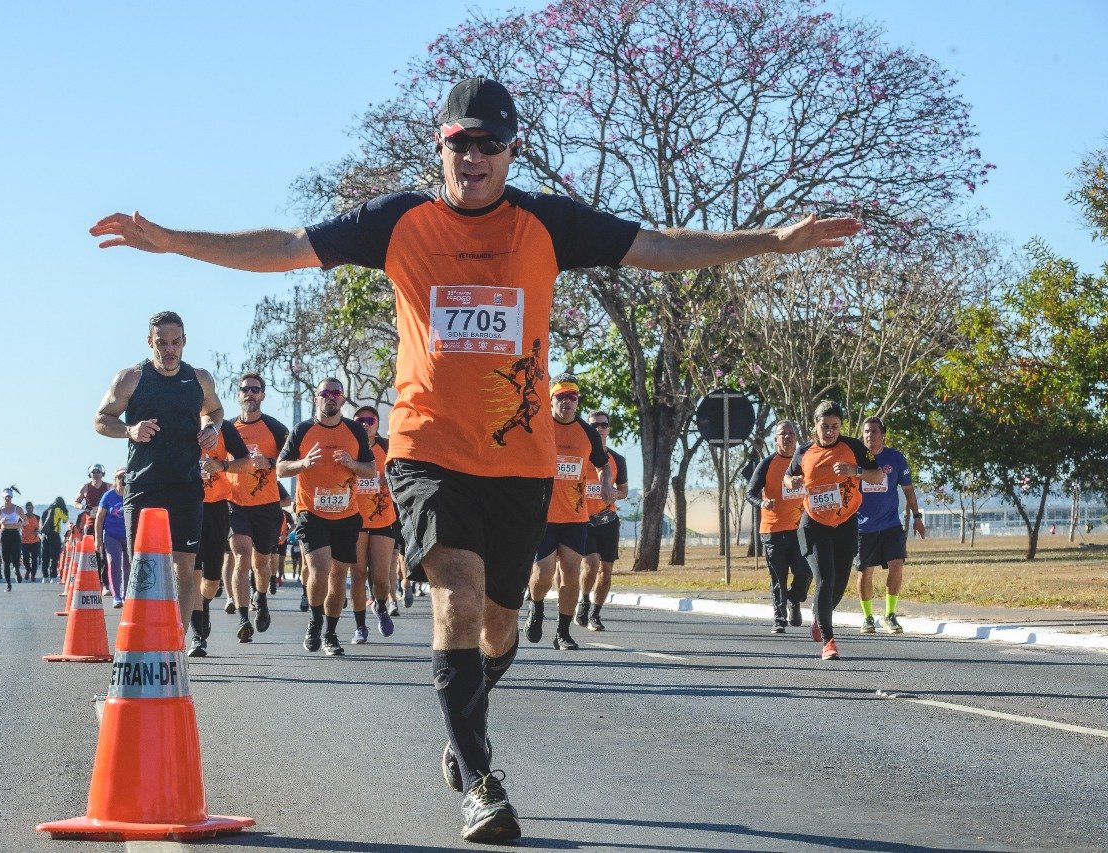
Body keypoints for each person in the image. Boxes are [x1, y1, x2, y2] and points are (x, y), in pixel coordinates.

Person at [91, 75, 860, 843]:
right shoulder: (399, 222)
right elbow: (287, 249)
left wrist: (772, 239)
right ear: (442, 145)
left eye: (491, 144)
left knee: (500, 628)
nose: (475, 157)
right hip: (428, 453)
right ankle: (479, 775)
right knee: (456, 594)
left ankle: (465, 724)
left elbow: (657, 246)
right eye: (462, 143)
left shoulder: (545, 225)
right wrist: (171, 240)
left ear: (510, 151)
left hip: (520, 467)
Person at [94, 310, 224, 634]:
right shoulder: (131, 378)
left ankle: (174, 643)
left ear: (184, 342)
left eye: (175, 342)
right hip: (144, 487)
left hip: (186, 484)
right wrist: (130, 430)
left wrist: (213, 428)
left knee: (184, 567)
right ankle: (142, 638)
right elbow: (101, 419)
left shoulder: (199, 378)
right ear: (150, 341)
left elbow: (216, 410)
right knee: (144, 568)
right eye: (162, 343)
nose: (169, 350)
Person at [275, 378, 375, 657]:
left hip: (346, 514)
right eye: (324, 393)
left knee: (338, 575)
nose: (330, 397)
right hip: (311, 513)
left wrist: (352, 464)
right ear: (315, 399)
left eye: (335, 393)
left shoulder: (354, 430)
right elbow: (281, 469)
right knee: (319, 570)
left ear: (342, 399)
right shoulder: (302, 430)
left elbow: (371, 469)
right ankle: (315, 622)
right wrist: (304, 464)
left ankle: (330, 633)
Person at [784, 402, 882, 660]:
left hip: (845, 523)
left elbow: (878, 476)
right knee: (825, 578)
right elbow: (788, 477)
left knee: (838, 585)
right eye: (824, 426)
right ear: (815, 426)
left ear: (841, 426)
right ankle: (829, 641)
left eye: (835, 427)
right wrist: (792, 481)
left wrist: (855, 471)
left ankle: (819, 617)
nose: (829, 432)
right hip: (814, 523)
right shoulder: (804, 451)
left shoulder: (854, 447)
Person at [525, 376, 610, 651]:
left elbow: (603, 464)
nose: (566, 402)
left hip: (574, 517)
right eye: (561, 396)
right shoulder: (539, 426)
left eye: (572, 397)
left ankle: (562, 632)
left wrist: (606, 482)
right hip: (543, 516)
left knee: (571, 573)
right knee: (544, 574)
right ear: (551, 399)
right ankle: (536, 607)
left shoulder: (587, 433)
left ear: (578, 401)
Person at [226, 372, 290, 644]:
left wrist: (272, 461)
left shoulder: (275, 428)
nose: (249, 393)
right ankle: (243, 619)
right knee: (242, 558)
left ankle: (261, 598)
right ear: (238, 395)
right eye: (245, 389)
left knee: (261, 564)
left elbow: (291, 460)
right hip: (235, 503)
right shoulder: (227, 428)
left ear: (262, 395)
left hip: (267, 506)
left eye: (255, 389)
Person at [855, 416, 926, 635]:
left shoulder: (895, 458)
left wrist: (916, 516)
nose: (870, 435)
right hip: (862, 526)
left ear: (883, 434)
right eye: (866, 431)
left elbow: (908, 489)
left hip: (890, 525)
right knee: (865, 571)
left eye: (874, 431)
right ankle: (867, 617)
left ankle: (890, 615)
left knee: (897, 564)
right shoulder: (855, 458)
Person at [190, 408, 252, 656]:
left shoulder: (224, 428)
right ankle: (196, 636)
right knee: (190, 570)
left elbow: (246, 462)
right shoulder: (179, 423)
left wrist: (221, 464)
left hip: (216, 508)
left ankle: (203, 604)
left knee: (212, 580)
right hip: (186, 504)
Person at [746, 420, 813, 633]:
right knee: (778, 576)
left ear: (796, 437)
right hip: (773, 530)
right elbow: (750, 493)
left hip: (801, 528)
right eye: (782, 434)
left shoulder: (806, 461)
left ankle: (795, 598)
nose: (787, 437)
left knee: (805, 571)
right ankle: (779, 618)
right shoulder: (767, 464)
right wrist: (762, 502)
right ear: (776, 440)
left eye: (791, 433)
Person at [576, 411, 629, 632]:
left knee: (606, 570)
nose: (599, 429)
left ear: (608, 429)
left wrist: (611, 492)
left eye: (603, 425)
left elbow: (624, 491)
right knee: (590, 564)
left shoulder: (617, 459)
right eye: (594, 425)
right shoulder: (580, 456)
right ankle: (584, 599)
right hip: (582, 519)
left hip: (607, 520)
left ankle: (595, 614)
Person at [353, 404, 398, 642]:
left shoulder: (387, 448)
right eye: (359, 420)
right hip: (355, 519)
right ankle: (360, 627)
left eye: (369, 420)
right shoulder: (349, 446)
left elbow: (403, 476)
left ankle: (380, 606)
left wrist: (385, 478)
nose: (364, 424)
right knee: (358, 574)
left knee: (381, 578)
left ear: (378, 424)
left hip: (383, 519)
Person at [95, 469, 132, 606]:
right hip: (111, 535)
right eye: (119, 477)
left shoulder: (132, 495)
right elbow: (99, 518)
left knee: (128, 565)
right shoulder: (108, 496)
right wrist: (97, 539)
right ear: (115, 479)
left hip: (128, 535)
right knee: (114, 562)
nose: (122, 479)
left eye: (125, 476)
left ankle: (127, 594)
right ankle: (116, 596)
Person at [74, 464, 113, 595]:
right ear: (90, 474)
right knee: (93, 555)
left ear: (103, 473)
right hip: (90, 523)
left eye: (98, 472)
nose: (96, 474)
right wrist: (83, 507)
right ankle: (95, 582)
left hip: (105, 523)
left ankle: (106, 585)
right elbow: (75, 502)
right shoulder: (85, 487)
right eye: (93, 472)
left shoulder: (108, 486)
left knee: (105, 554)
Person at [0, 489, 26, 591]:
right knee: (5, 561)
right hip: (4, 534)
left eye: (9, 497)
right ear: (3, 497)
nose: (8, 499)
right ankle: (8, 584)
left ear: (12, 497)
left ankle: (17, 571)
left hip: (15, 534)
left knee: (16, 557)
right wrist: (0, 522)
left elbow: (26, 521)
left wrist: (19, 524)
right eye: (6, 497)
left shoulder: (17, 509)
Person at [39, 498, 68, 583]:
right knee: (54, 556)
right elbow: (65, 519)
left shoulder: (47, 510)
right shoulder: (58, 509)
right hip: (54, 535)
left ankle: (45, 577)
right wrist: (65, 511)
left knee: (45, 556)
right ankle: (53, 576)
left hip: (44, 535)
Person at [21, 501, 42, 582]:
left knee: (34, 559)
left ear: (33, 508)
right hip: (25, 542)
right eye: (28, 508)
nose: (29, 509)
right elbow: (18, 526)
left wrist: (37, 531)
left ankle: (33, 575)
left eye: (31, 508)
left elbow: (41, 528)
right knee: (25, 559)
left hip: (35, 542)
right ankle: (28, 570)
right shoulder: (23, 517)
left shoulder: (37, 518)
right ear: (26, 509)